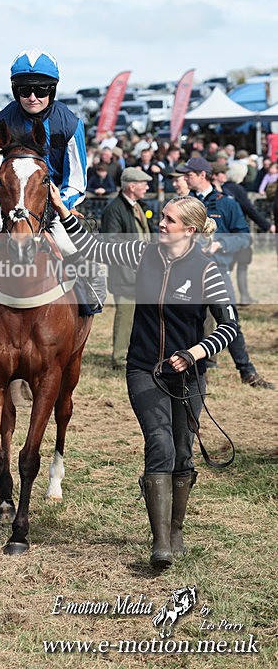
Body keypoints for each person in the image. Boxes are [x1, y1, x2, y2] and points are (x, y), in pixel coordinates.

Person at [49, 184, 240, 569]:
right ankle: (160, 544)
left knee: (183, 451)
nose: (161, 224)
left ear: (189, 230)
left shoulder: (208, 270)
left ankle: (176, 528)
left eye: (169, 219)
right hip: (144, 369)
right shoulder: (143, 252)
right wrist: (63, 211)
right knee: (160, 445)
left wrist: (194, 353)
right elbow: (94, 248)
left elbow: (230, 326)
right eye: (162, 216)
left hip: (190, 375)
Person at [0, 48, 103, 312]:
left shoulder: (70, 124)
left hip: (54, 202)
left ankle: (89, 284)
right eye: (25, 90)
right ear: (16, 91)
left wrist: (57, 203)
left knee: (71, 244)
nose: (33, 97)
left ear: (52, 90)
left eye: (41, 90)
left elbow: (78, 180)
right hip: (10, 201)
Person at [177, 156, 274, 390]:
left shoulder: (226, 203)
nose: (184, 177)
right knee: (187, 322)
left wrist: (220, 245)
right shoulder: (183, 204)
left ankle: (246, 370)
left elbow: (243, 235)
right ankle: (190, 370)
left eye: (189, 174)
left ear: (202, 175)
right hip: (187, 272)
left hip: (217, 270)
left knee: (229, 321)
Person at [100, 167, 153, 370]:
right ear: (132, 186)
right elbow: (110, 243)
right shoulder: (114, 209)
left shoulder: (138, 206)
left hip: (141, 272)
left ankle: (136, 354)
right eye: (143, 183)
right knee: (125, 317)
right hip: (124, 274)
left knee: (140, 317)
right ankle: (120, 359)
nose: (147, 187)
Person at [213, 162, 275, 304]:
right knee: (242, 264)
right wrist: (267, 225)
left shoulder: (224, 189)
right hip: (236, 235)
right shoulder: (236, 189)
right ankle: (244, 296)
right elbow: (250, 210)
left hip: (223, 236)